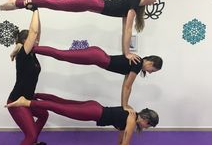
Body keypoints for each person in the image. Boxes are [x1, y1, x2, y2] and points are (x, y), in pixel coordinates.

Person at [0, 0, 159, 62]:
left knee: (54, 5)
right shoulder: (134, 1)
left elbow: (125, 28)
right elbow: (129, 29)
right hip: (91, 2)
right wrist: (127, 53)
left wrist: (126, 53)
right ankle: (17, 1)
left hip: (90, 4)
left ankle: (18, 2)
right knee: (54, 4)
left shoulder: (134, 5)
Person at [5, 93, 159, 145]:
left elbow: (121, 132)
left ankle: (36, 95)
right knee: (60, 108)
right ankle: (27, 102)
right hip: (93, 112)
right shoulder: (132, 121)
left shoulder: (131, 111)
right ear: (145, 119)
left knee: (64, 103)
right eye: (149, 125)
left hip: (94, 106)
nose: (147, 127)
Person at [21, 45, 162, 113]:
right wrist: (124, 106)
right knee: (61, 55)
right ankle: (29, 48)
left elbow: (126, 85)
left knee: (61, 55)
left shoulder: (136, 63)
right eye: (153, 70)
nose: (150, 73)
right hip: (96, 57)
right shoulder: (137, 64)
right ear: (150, 63)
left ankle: (32, 48)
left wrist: (124, 105)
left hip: (97, 55)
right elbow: (127, 87)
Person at [6, 0, 49, 145]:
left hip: (28, 99)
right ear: (24, 42)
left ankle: (34, 142)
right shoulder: (23, 54)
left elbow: (36, 32)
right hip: (17, 102)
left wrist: (38, 16)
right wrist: (35, 10)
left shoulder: (32, 54)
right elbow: (33, 32)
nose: (37, 40)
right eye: (32, 40)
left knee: (44, 114)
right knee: (29, 134)